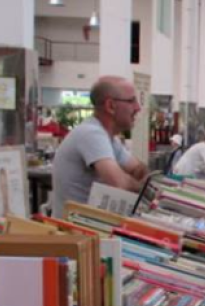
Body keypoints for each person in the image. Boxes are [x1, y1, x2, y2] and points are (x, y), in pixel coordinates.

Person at [52, 75, 149, 217]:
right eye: (131, 101)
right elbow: (119, 183)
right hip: (76, 234)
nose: (138, 108)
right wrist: (144, 188)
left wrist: (141, 178)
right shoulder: (91, 133)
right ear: (110, 106)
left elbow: (137, 169)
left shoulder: (108, 138)